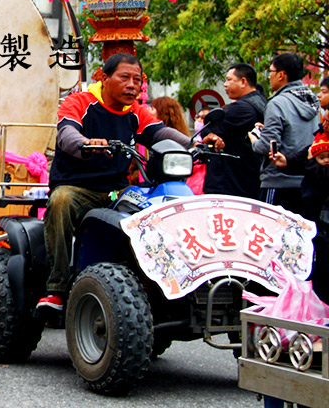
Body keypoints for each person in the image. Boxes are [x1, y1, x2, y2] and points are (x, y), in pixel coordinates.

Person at [37, 54, 202, 311]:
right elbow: (66, 132)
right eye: (124, 77)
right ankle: (57, 288)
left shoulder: (135, 112)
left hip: (118, 190)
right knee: (61, 201)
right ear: (105, 78)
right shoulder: (80, 102)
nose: (132, 85)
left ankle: (156, 283)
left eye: (137, 80)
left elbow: (159, 133)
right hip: (79, 189)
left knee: (155, 208)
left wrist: (196, 143)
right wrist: (84, 143)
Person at [250, 53, 320, 212]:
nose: (269, 77)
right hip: (308, 182)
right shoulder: (314, 101)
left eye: (271, 72)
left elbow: (267, 146)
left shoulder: (278, 103)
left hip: (278, 182)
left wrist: (254, 139)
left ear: (281, 75)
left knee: (271, 232)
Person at [271, 132, 329, 302]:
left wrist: (312, 162)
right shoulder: (320, 137)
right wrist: (286, 161)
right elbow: (303, 158)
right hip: (315, 211)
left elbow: (323, 176)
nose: (324, 124)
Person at [202, 63, 267, 198]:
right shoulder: (261, 102)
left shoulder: (241, 108)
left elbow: (209, 127)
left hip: (233, 183)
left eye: (229, 79)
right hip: (250, 179)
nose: (225, 84)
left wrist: (211, 135)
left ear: (243, 81)